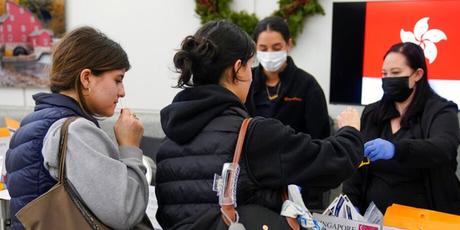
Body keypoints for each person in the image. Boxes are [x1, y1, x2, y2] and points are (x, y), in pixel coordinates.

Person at [155, 20, 364, 229]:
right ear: (238, 69)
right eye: (249, 65)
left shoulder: (169, 141)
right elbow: (330, 162)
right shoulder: (253, 134)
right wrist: (350, 131)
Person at [5, 27, 149, 229]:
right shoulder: (76, 132)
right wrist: (130, 147)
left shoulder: (32, 122)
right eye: (118, 80)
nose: (122, 92)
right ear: (86, 78)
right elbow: (126, 212)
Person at [343, 42, 460, 215]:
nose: (389, 78)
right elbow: (357, 165)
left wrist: (396, 149)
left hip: (427, 219)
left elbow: (443, 148)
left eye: (396, 73)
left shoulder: (441, 110)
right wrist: (350, 206)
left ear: (417, 74)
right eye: (384, 74)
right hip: (372, 219)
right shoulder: (372, 113)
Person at [245, 15, 331, 210]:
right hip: (254, 182)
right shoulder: (246, 83)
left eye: (276, 48)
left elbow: (321, 139)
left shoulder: (307, 85)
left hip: (297, 181)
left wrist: (311, 194)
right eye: (263, 49)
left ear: (288, 44)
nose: (269, 54)